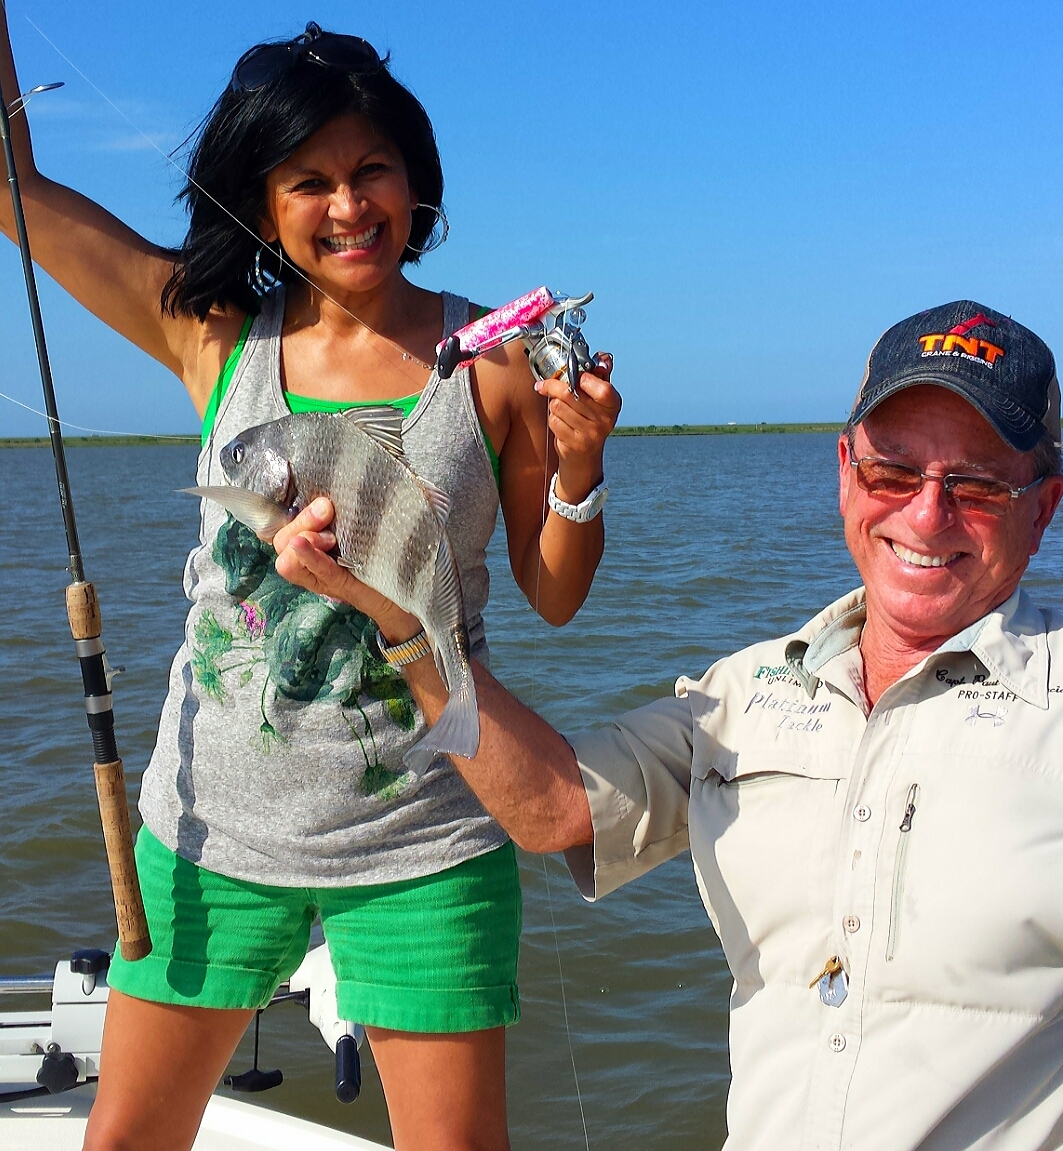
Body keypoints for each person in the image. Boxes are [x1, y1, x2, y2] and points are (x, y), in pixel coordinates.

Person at [0, 15, 621, 1151]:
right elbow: (16, 189)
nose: (348, 205)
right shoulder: (213, 338)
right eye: (308, 181)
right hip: (209, 829)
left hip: (425, 833)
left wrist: (579, 469)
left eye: (372, 168)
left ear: (416, 181)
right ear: (262, 199)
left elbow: (553, 591)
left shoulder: (491, 363)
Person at [279, 301, 1063, 1150]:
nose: (926, 514)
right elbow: (555, 807)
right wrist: (400, 618)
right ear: (846, 473)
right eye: (893, 473)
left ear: (1043, 508)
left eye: (977, 485)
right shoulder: (744, 693)